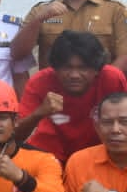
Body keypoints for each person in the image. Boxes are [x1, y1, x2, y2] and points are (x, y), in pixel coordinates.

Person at [15, 31, 127, 165]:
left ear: (97, 69)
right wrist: (38, 113)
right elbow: (15, 137)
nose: (74, 75)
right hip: (50, 156)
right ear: (54, 68)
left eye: (83, 68)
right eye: (67, 67)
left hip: (99, 154)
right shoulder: (39, 82)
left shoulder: (112, 78)